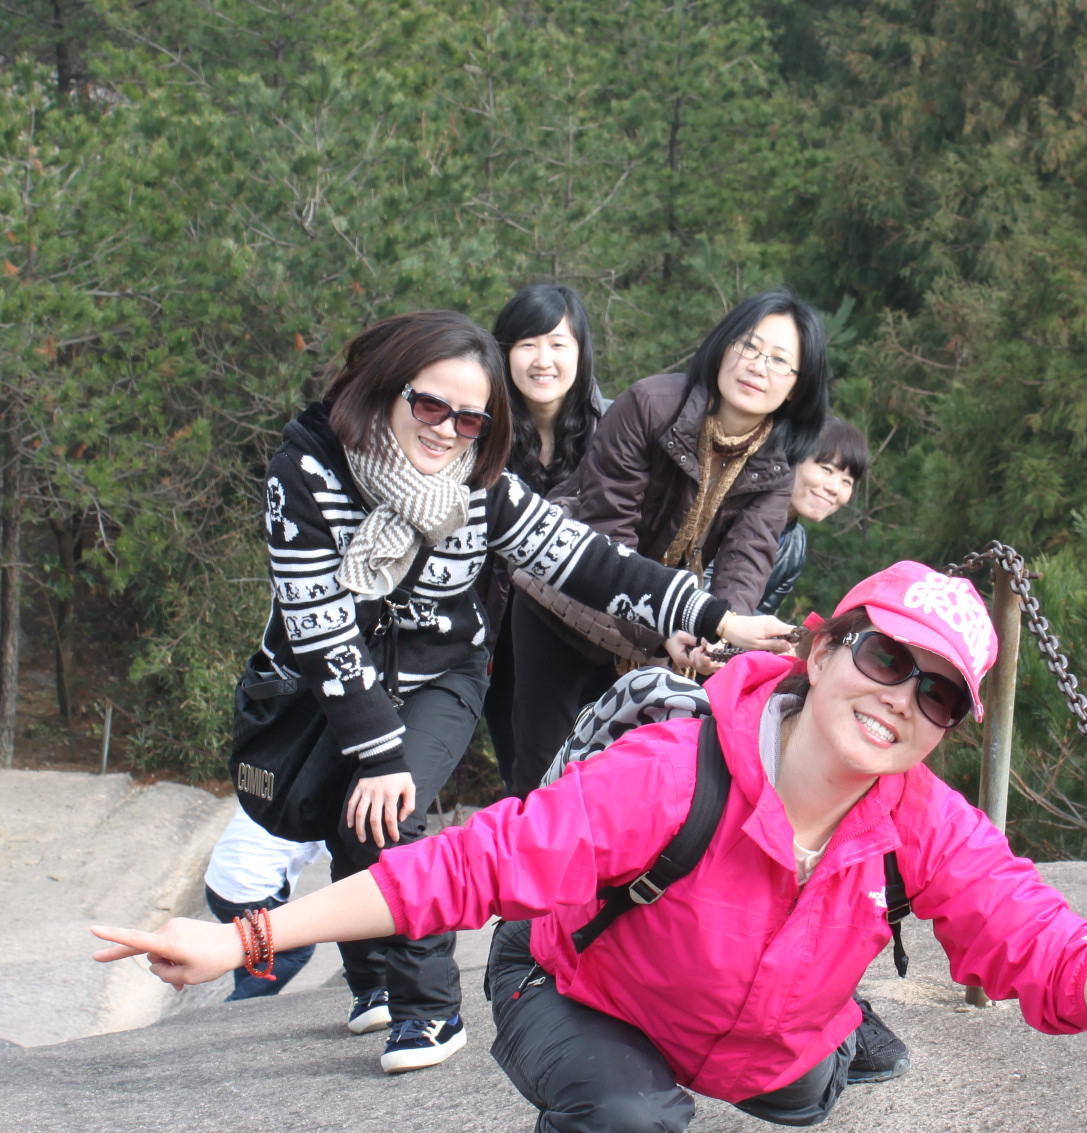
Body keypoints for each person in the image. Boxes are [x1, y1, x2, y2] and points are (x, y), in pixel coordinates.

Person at [94, 560, 1087, 1133]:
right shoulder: (675, 770)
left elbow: (1042, 947)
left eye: (938, 692)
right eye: (883, 655)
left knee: (806, 1096)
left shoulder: (924, 823)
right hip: (583, 980)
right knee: (628, 1115)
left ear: (948, 725)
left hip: (757, 1017)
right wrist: (245, 935)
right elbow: (469, 860)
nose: (900, 696)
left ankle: (831, 1027)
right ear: (822, 647)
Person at [235, 310, 792, 1074]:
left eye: (470, 419)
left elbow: (590, 562)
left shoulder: (481, 484)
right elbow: (318, 622)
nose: (447, 432)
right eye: (430, 406)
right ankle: (371, 982)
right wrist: (372, 749)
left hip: (439, 672)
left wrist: (717, 618)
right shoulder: (308, 470)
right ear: (385, 389)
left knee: (392, 810)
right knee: (349, 816)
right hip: (329, 675)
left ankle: (429, 1010)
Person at [506, 289, 829, 794]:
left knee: (610, 783)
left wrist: (715, 643)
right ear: (723, 347)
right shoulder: (650, 404)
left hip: (654, 632)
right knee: (539, 775)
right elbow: (607, 530)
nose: (757, 366)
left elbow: (746, 563)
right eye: (749, 346)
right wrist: (664, 630)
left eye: (779, 361)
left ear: (796, 386)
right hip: (565, 610)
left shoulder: (775, 466)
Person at [482, 283, 608, 797]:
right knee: (527, 780)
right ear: (504, 353)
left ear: (581, 352)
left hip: (593, 638)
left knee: (593, 783)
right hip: (501, 642)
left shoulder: (614, 429)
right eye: (527, 344)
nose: (543, 360)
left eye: (558, 344)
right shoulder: (479, 430)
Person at [199, 809, 323, 1000]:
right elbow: (346, 855)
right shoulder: (322, 806)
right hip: (248, 895)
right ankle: (236, 1005)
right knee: (299, 947)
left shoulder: (270, 792)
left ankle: (247, 1003)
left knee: (251, 949)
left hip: (217, 885)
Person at [759, 416, 869, 618]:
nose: (834, 488)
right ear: (792, 456)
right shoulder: (732, 508)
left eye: (847, 481)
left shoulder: (795, 545)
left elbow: (760, 616)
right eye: (827, 469)